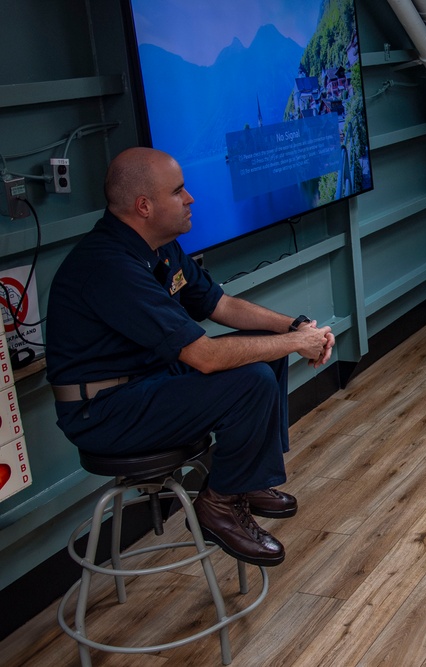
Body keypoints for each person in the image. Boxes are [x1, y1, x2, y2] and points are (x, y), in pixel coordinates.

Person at [46, 147, 335, 567]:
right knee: (250, 378)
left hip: (148, 381)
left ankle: (245, 480)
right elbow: (205, 358)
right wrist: (295, 344)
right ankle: (217, 504)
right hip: (104, 410)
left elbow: (219, 304)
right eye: (179, 191)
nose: (190, 199)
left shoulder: (160, 247)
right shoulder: (109, 266)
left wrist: (293, 328)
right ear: (144, 206)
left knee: (262, 348)